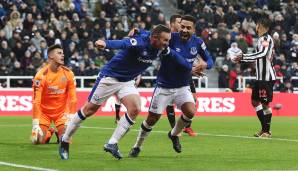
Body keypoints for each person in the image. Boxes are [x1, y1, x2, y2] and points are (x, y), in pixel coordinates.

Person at [59, 24, 185, 160]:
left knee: (135, 108)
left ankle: (112, 143)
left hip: (127, 81)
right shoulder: (140, 42)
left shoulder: (158, 43)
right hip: (110, 77)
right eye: (165, 40)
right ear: (154, 38)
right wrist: (105, 43)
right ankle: (65, 140)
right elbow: (123, 43)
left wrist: (138, 29)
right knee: (88, 110)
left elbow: (145, 31)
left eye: (168, 40)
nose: (167, 43)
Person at [128, 15, 213, 157]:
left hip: (182, 86)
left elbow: (210, 59)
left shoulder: (198, 42)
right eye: (182, 26)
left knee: (190, 111)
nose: (184, 30)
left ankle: (174, 134)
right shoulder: (171, 37)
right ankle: (137, 146)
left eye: (188, 28)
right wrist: (138, 31)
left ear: (194, 29)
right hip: (164, 87)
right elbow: (152, 34)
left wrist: (205, 64)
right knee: (151, 120)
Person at [233, 13, 275, 138]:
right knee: (255, 101)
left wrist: (244, 57)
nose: (255, 27)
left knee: (265, 104)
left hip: (266, 77)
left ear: (261, 26)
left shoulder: (266, 39)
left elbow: (262, 54)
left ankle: (266, 131)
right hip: (260, 77)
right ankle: (264, 128)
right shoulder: (261, 39)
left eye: (257, 25)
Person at [31, 44, 77, 144]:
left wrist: (72, 116)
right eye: (59, 53)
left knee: (66, 141)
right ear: (51, 56)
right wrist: (35, 123)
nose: (63, 55)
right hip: (44, 113)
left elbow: (73, 99)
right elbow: (36, 101)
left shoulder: (68, 73)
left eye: (63, 53)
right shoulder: (40, 76)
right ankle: (49, 132)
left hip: (62, 113)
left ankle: (59, 134)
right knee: (36, 141)